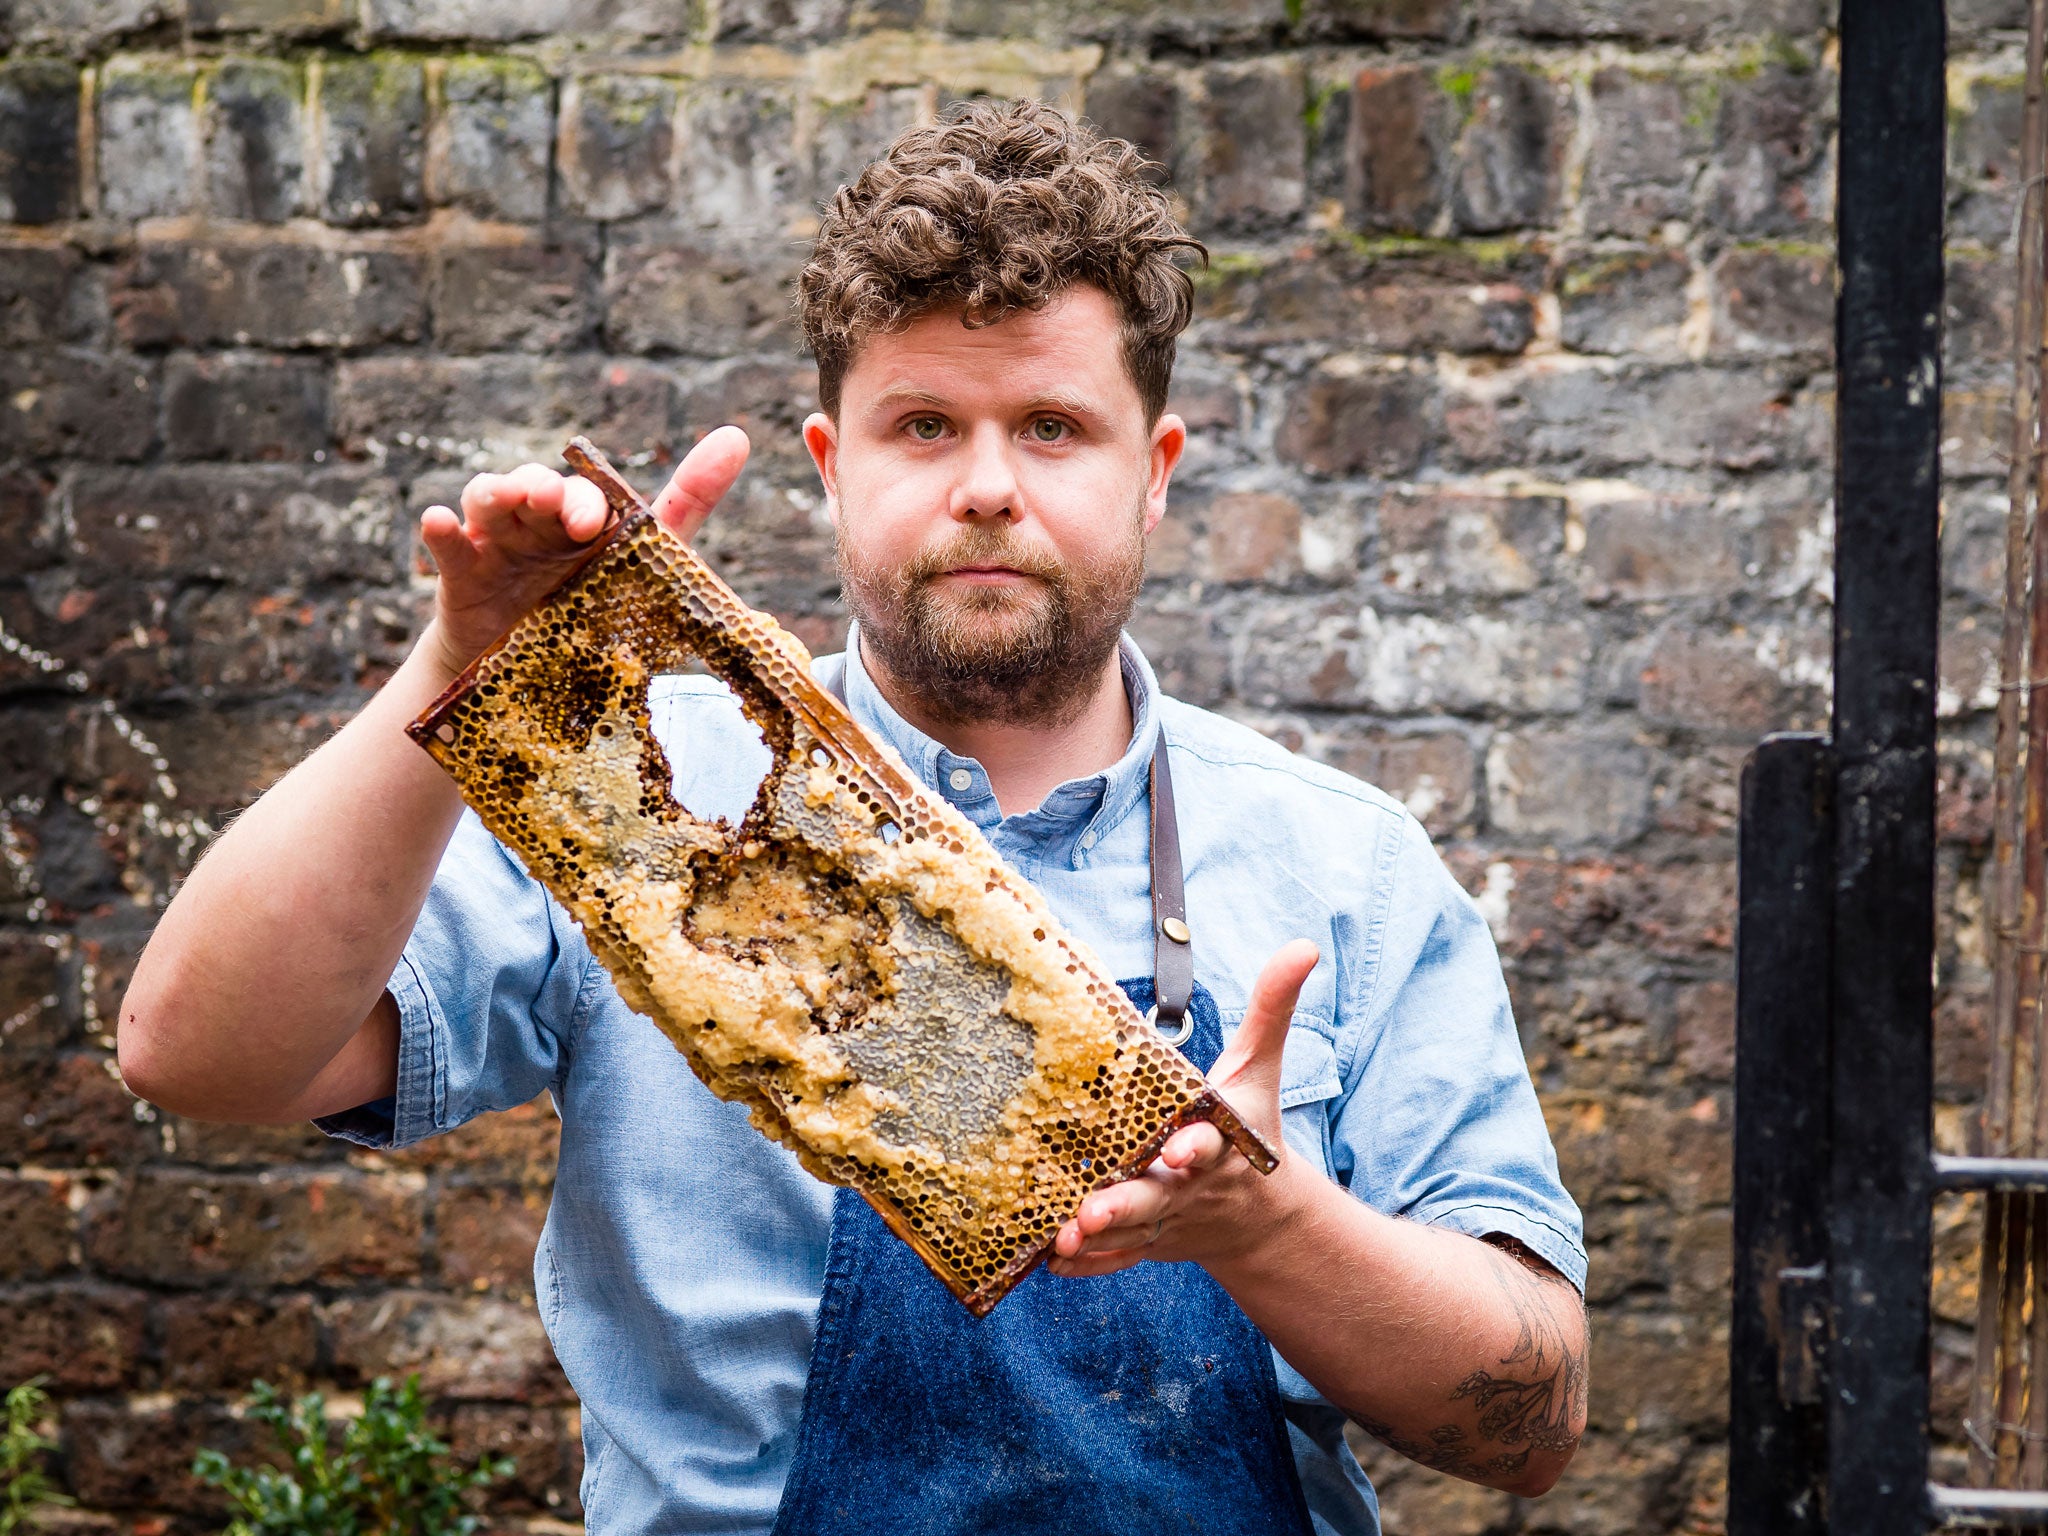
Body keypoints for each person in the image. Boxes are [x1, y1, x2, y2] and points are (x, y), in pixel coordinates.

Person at [119, 99, 1587, 1534]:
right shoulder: (637, 798)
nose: (990, 488)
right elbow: (197, 1055)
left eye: (1057, 427)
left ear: (1157, 473)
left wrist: (1267, 1228)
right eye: (925, 425)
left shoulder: (1346, 868)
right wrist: (461, 677)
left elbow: (1533, 1421)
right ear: (835, 469)